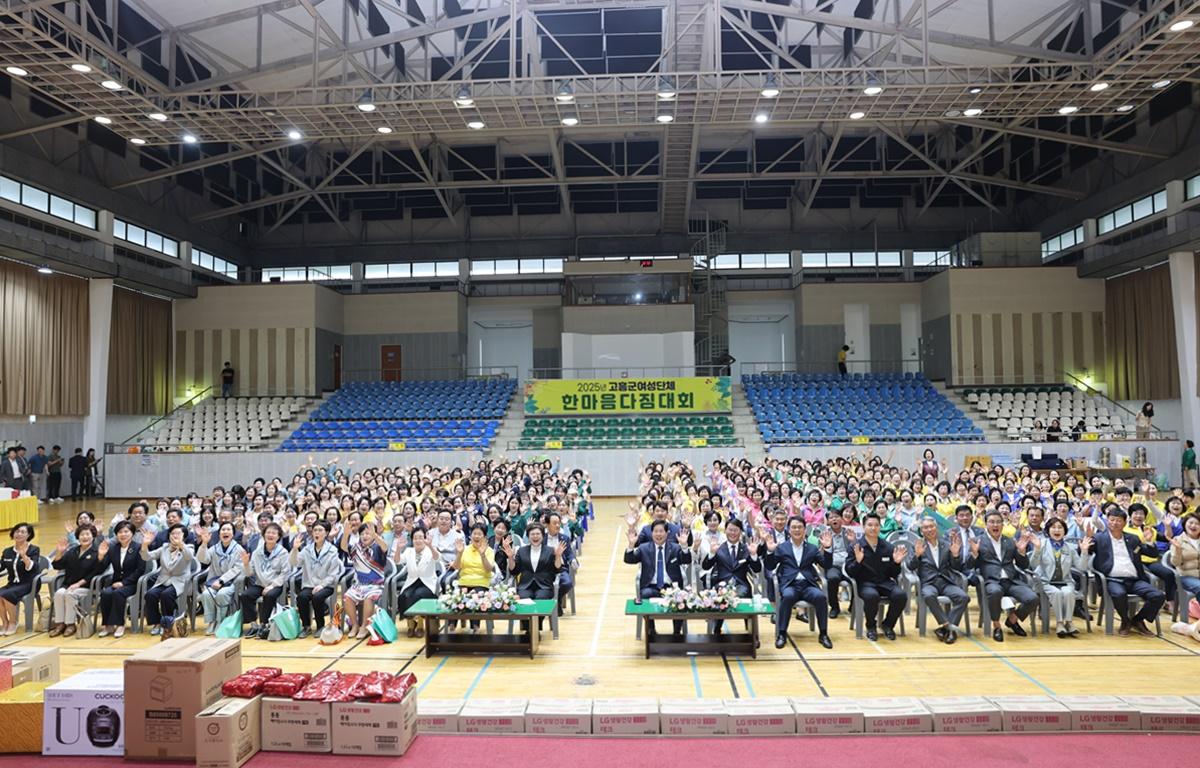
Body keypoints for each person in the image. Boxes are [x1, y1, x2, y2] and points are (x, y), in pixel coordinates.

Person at [1081, 506, 1165, 637]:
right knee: (1119, 594)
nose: (1114, 523)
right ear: (1107, 521)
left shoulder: (1133, 539)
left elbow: (1152, 554)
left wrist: (1149, 542)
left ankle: (1137, 620)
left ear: (1125, 523)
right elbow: (1085, 552)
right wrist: (1086, 541)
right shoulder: (1099, 538)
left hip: (1135, 579)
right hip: (1112, 580)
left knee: (1158, 595)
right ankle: (1125, 621)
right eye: (1112, 520)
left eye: (1118, 520)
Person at [763, 516, 834, 649]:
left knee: (820, 597)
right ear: (789, 530)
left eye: (800, 527)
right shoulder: (782, 547)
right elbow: (770, 566)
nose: (797, 530)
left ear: (804, 530)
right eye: (794, 527)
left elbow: (827, 565)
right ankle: (782, 634)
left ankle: (823, 634)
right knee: (787, 596)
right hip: (790, 585)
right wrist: (770, 551)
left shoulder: (812, 548)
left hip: (808, 585)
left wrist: (828, 548)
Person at [972, 510, 1038, 642]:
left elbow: (1023, 565)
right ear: (986, 524)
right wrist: (974, 554)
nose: (995, 525)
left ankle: (1012, 620)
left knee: (1033, 598)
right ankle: (997, 626)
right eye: (992, 522)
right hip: (992, 581)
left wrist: (1021, 552)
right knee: (995, 591)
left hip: (1012, 580)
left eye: (998, 522)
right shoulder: (978, 541)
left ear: (1003, 524)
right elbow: (970, 565)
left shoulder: (1009, 541)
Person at [845, 513, 907, 641]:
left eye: (876, 525)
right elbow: (850, 572)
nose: (873, 528)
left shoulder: (888, 547)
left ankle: (888, 625)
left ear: (880, 527)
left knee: (900, 595)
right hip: (865, 583)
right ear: (863, 527)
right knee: (872, 596)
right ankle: (871, 626)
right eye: (870, 525)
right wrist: (858, 561)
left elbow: (894, 574)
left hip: (884, 582)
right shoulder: (856, 547)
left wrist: (896, 563)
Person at [624, 519, 691, 636]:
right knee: (645, 594)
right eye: (655, 531)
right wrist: (631, 545)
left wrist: (684, 546)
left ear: (667, 533)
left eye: (661, 531)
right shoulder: (644, 548)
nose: (658, 534)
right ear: (652, 533)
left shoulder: (675, 548)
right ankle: (651, 630)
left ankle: (677, 631)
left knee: (680, 597)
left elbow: (686, 560)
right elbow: (629, 560)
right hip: (651, 586)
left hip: (672, 587)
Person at [907, 516, 968, 644]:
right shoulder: (918, 545)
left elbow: (956, 567)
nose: (929, 529)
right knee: (929, 595)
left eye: (931, 526)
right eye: (925, 527)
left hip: (946, 582)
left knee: (963, 597)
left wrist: (955, 555)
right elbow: (910, 567)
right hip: (928, 583)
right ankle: (948, 627)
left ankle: (945, 630)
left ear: (936, 528)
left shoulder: (946, 544)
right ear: (921, 531)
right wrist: (917, 555)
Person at [1031, 517, 1086, 637]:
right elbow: (1033, 565)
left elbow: (1081, 567)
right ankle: (1060, 623)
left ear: (1064, 531)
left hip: (1065, 581)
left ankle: (1069, 623)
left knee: (1068, 592)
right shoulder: (1042, 544)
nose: (1057, 530)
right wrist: (1037, 550)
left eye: (1060, 527)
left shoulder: (1070, 547)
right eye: (1053, 527)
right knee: (1056, 593)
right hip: (1045, 582)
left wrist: (1084, 552)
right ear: (1048, 530)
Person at [140, 523, 196, 637]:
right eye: (172, 533)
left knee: (166, 595)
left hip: (179, 582)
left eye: (178, 533)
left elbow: (189, 557)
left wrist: (180, 545)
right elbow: (146, 557)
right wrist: (145, 545)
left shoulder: (188, 548)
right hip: (163, 580)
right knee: (150, 594)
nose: (175, 535)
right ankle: (157, 623)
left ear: (184, 536)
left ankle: (168, 624)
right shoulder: (164, 548)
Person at [49, 524, 103, 637]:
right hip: (69, 584)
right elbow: (57, 565)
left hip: (87, 586)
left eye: (87, 534)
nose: (85, 537)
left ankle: (70, 624)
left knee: (70, 594)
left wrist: (78, 584)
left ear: (93, 536)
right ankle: (60, 624)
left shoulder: (97, 552)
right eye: (82, 534)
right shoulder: (73, 551)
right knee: (59, 594)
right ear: (78, 537)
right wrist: (60, 552)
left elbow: (96, 572)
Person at [290, 521, 341, 638]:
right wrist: (295, 549)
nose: (317, 533)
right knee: (302, 597)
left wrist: (322, 585)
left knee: (317, 597)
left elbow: (333, 574)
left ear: (326, 533)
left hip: (326, 585)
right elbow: (295, 563)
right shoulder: (307, 549)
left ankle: (320, 626)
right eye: (315, 530)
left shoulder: (332, 550)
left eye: (320, 530)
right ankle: (306, 626)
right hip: (309, 584)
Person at [239, 523, 290, 639]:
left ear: (278, 536)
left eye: (274, 533)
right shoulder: (257, 552)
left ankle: (264, 624)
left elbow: (285, 573)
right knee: (245, 595)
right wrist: (246, 564)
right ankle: (253, 624)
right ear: (263, 535)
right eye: (268, 532)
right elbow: (249, 573)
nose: (270, 535)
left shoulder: (283, 552)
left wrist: (272, 586)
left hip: (276, 584)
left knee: (269, 595)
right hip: (260, 584)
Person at [97, 521, 144, 638]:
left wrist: (124, 583)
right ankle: (108, 625)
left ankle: (120, 624)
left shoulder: (138, 548)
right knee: (106, 593)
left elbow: (140, 570)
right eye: (120, 532)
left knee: (118, 593)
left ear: (132, 533)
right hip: (116, 583)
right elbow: (101, 568)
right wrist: (101, 556)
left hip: (132, 584)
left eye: (126, 531)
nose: (123, 534)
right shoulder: (113, 548)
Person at [341, 521, 388, 639]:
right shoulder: (356, 548)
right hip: (359, 585)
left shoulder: (378, 547)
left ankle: (365, 627)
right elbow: (344, 547)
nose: (364, 536)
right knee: (347, 597)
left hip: (376, 585)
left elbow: (385, 547)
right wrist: (346, 534)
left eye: (368, 533)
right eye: (362, 534)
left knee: (369, 598)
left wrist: (375, 535)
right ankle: (355, 625)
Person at [197, 522, 245, 634]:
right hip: (214, 582)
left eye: (228, 529)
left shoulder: (239, 549)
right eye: (223, 530)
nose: (225, 532)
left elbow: (237, 569)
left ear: (233, 534)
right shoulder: (214, 548)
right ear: (219, 534)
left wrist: (222, 580)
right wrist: (204, 544)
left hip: (231, 583)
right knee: (206, 594)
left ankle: (220, 620)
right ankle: (211, 621)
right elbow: (203, 559)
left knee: (222, 594)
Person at [395, 527, 439, 637]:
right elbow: (397, 561)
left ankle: (420, 624)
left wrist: (430, 546)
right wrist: (398, 549)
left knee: (418, 595)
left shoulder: (430, 550)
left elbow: (437, 558)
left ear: (425, 538)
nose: (418, 540)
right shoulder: (409, 551)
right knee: (404, 595)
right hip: (412, 581)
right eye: (415, 538)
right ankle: (411, 624)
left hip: (427, 583)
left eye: (420, 537)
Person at [0, 523, 40, 635]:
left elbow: (32, 568)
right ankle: (5, 622)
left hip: (29, 583)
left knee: (7, 595)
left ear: (29, 535)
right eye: (17, 531)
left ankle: (13, 622)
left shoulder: (34, 549)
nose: (19, 534)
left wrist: (24, 556)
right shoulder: (7, 551)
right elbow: (2, 566)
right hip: (13, 583)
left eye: (23, 532)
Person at [1169, 514, 1200, 605]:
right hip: (1186, 576)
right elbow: (1175, 563)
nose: (1193, 526)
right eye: (1191, 523)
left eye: (1197, 524)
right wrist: (1178, 550)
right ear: (1185, 524)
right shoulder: (1178, 540)